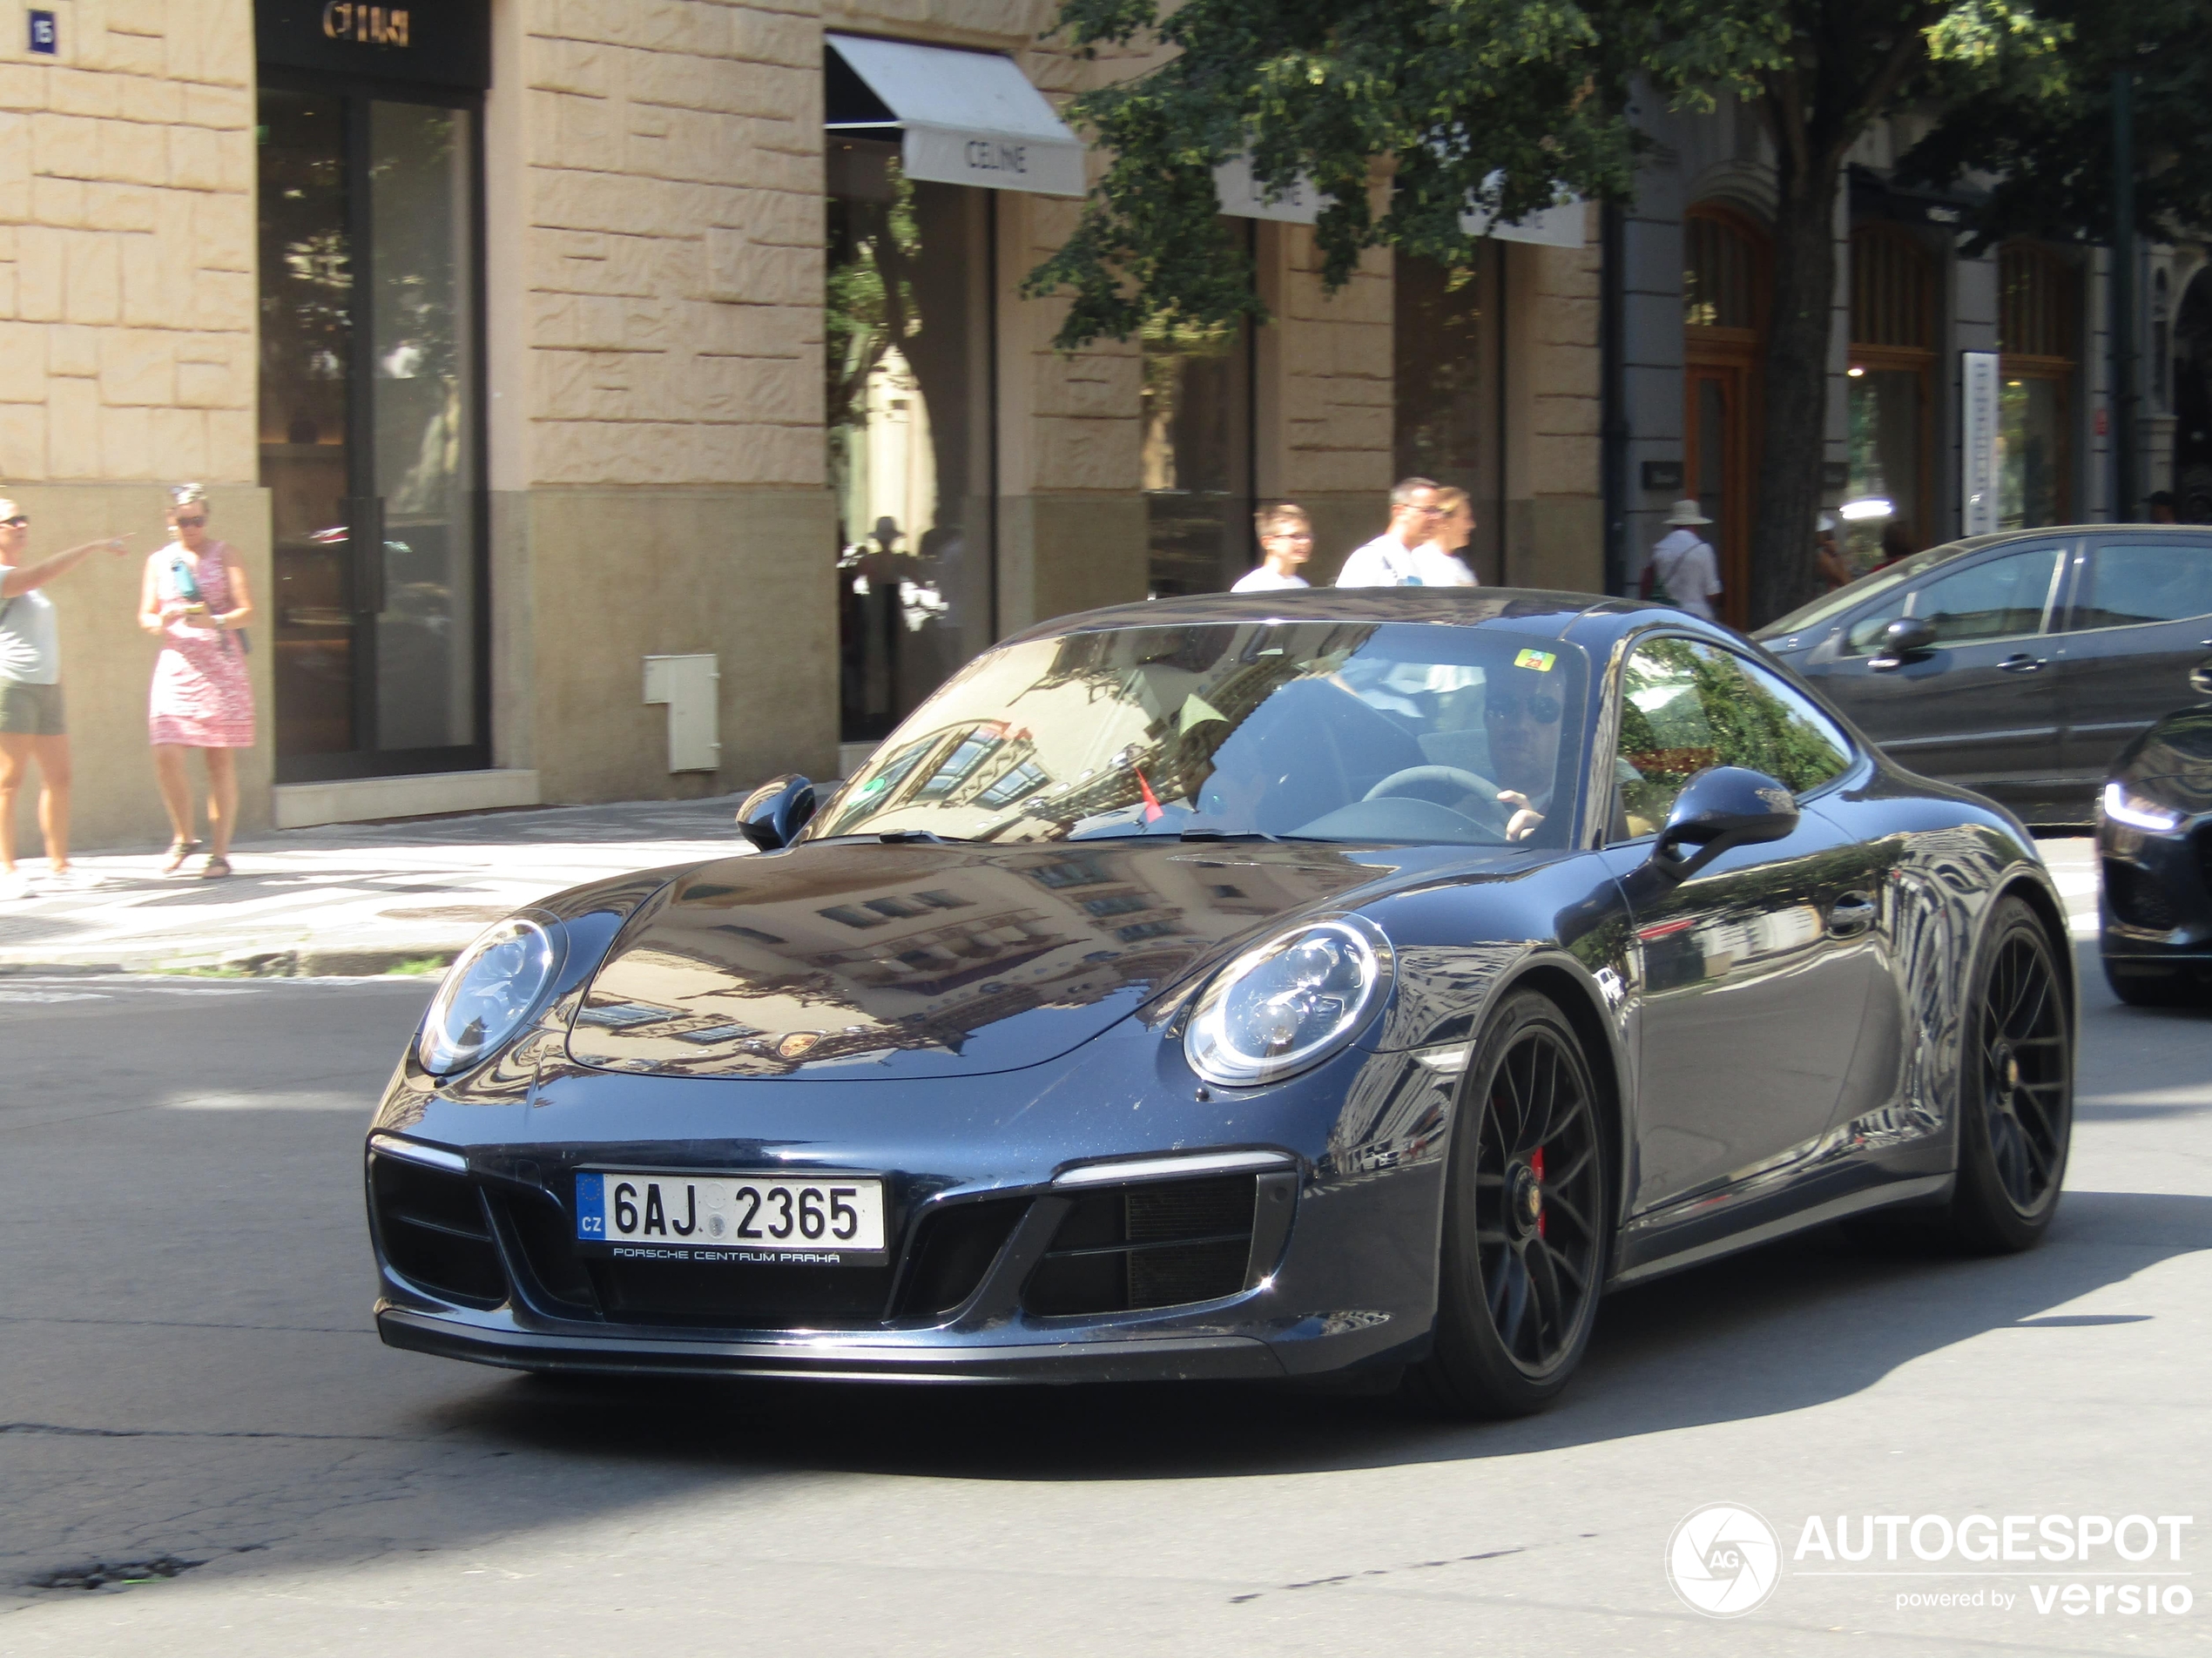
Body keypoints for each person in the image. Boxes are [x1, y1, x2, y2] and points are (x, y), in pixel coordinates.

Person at [0, 503, 132, 898]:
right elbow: (38, 574)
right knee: (8, 781)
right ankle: (5, 869)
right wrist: (91, 545)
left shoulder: (27, 583)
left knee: (60, 778)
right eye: (12, 520)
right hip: (13, 685)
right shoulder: (10, 577)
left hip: (46, 687)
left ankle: (60, 865)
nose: (23, 526)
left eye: (25, 519)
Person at [138, 485, 255, 879]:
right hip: (177, 663)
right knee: (166, 751)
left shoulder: (225, 554)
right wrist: (159, 623)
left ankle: (219, 852)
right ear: (170, 520)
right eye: (183, 520)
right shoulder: (159, 561)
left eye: (198, 520)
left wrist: (216, 620)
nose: (191, 527)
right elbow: (145, 615)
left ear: (207, 519)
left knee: (218, 759)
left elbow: (246, 611)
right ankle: (184, 835)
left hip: (221, 663)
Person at [1485, 659, 1567, 841]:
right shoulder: (1453, 805)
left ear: (1568, 725)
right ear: (1486, 718)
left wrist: (1550, 837)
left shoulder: (1595, 793)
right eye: (1502, 706)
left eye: (1543, 709)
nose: (1520, 725)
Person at [1335, 476, 1440, 587]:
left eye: (1437, 511)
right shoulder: (1372, 556)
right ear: (1399, 512)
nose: (1436, 517)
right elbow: (1349, 603)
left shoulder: (1420, 561)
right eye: (1429, 510)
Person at [1644, 501, 1722, 622]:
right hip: (1697, 617)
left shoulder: (1659, 549)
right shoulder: (1703, 549)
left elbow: (1648, 585)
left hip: (1666, 615)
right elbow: (1712, 593)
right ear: (1695, 525)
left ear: (1673, 525)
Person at [1232, 503, 1314, 592]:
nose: (1305, 542)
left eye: (1307, 536)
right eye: (1295, 536)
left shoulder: (1302, 586)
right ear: (1268, 542)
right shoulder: (1251, 587)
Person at [1413, 486, 1479, 586]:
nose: (1471, 525)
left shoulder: (1458, 563)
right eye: (1466, 518)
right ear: (1444, 521)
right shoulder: (1424, 561)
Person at [1813, 512, 1851, 591]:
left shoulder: (1826, 555)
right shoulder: (1821, 556)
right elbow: (1845, 582)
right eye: (1825, 533)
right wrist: (1835, 556)